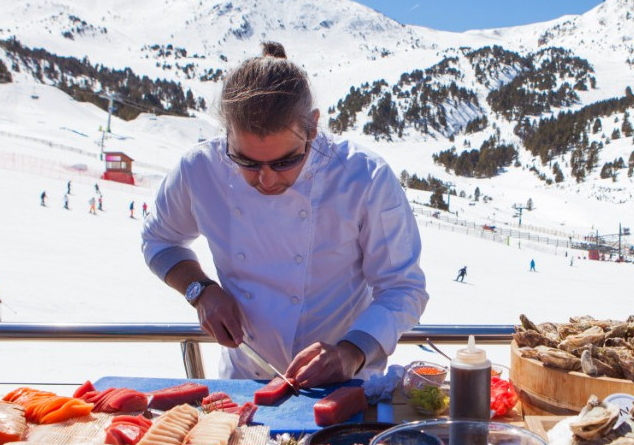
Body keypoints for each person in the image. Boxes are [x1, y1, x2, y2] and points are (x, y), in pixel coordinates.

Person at [141, 41, 428, 385]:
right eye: (245, 161)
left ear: (313, 128)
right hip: (244, 382)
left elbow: (402, 287)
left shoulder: (363, 177)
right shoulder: (199, 168)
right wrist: (201, 290)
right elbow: (159, 240)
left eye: (285, 161)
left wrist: (352, 352)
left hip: (344, 384)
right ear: (226, 135)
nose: (265, 179)